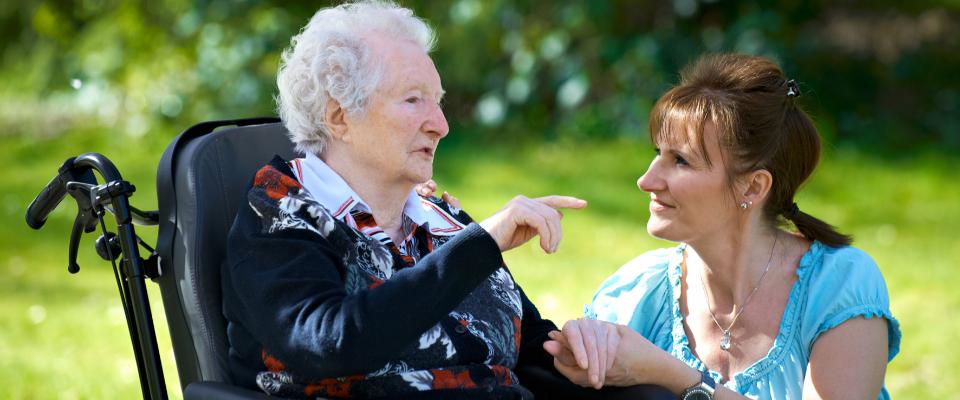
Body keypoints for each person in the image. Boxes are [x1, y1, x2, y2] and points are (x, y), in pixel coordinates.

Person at [219, 2, 678, 399]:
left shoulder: (437, 218)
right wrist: (480, 245)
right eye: (413, 100)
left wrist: (574, 347)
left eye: (437, 102)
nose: (440, 124)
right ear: (339, 116)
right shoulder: (280, 215)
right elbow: (332, 343)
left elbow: (521, 341)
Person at [543, 53, 901, 399]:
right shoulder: (635, 296)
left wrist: (673, 377)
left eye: (680, 161)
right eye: (658, 154)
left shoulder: (839, 287)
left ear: (753, 187)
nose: (646, 180)